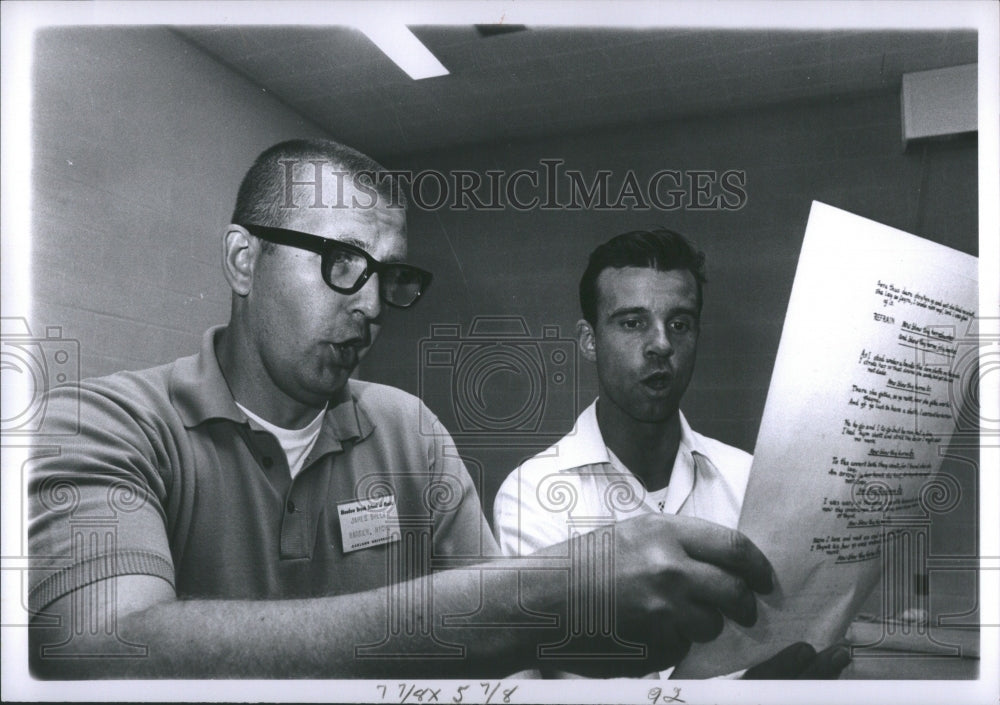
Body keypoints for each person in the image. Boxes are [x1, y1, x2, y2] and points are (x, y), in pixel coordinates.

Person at [28, 139, 789, 679]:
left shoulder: (409, 432)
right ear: (241, 258)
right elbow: (100, 647)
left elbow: (509, 666)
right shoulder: (108, 425)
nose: (370, 307)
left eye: (386, 277)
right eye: (342, 264)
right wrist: (548, 591)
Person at [493, 228, 850, 678]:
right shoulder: (532, 495)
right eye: (632, 322)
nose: (661, 343)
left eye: (680, 323)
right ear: (588, 340)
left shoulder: (748, 481)